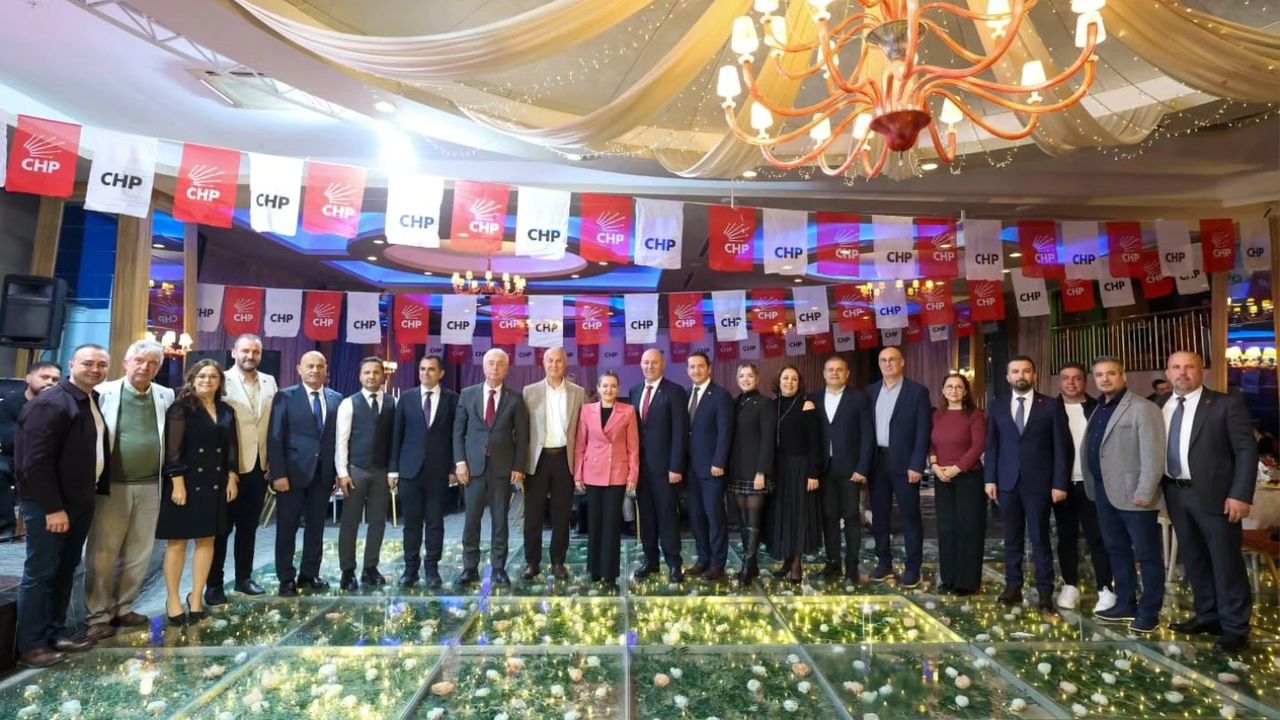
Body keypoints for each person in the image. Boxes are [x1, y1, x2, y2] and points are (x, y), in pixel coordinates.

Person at [15, 344, 111, 667]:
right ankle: (31, 645)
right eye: (88, 363)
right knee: (41, 573)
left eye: (102, 364)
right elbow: (34, 462)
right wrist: (52, 508)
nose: (95, 369)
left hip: (79, 500)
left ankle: (56, 632)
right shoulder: (52, 403)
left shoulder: (89, 399)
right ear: (71, 364)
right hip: (51, 505)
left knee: (65, 570)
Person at [1160, 351, 1258, 652]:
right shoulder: (1159, 405)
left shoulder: (1225, 404)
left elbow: (1246, 450)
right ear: (1168, 373)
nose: (1182, 372)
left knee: (1225, 562)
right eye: (1176, 367)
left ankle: (1235, 627)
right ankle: (1207, 615)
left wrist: (1240, 494)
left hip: (1218, 496)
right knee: (1194, 559)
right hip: (1175, 493)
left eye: (1189, 367)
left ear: (1201, 371)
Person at [84, 340, 173, 641]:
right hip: (112, 486)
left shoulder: (166, 395)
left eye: (152, 363)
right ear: (125, 363)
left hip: (151, 485)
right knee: (103, 552)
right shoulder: (102, 393)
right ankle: (98, 615)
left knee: (140, 552)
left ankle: (123, 607)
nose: (145, 367)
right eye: (139, 360)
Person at [1081, 355, 1167, 634]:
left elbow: (1153, 454)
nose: (1105, 379)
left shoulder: (1143, 408)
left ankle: (1149, 612)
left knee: (1147, 554)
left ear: (1123, 376)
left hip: (1135, 494)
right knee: (1116, 550)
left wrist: (1145, 491)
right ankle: (1125, 603)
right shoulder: (1099, 408)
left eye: (1111, 373)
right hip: (1104, 492)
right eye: (1099, 375)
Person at [984, 355, 1070, 613]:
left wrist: (1059, 483)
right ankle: (1013, 587)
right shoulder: (997, 405)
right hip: (1007, 483)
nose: (1020, 376)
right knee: (1011, 538)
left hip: (1039, 484)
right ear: (1007, 377)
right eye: (1015, 371)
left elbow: (1062, 447)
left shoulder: (1051, 405)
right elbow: (992, 445)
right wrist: (990, 478)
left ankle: (1045, 592)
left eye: (1026, 371)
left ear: (1034, 375)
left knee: (1040, 538)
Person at [156, 360, 238, 626]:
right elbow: (173, 451)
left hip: (216, 482)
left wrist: (232, 476)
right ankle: (172, 598)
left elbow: (231, 448)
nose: (207, 380)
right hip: (186, 483)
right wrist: (177, 483)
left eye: (213, 376)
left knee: (207, 541)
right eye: (201, 376)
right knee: (177, 543)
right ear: (192, 379)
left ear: (220, 381)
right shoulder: (181, 408)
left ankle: (196, 597)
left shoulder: (226, 409)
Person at [268, 351, 342, 597]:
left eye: (320, 366)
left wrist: (337, 472)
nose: (315, 370)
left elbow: (337, 439)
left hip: (323, 476)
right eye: (310, 365)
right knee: (287, 528)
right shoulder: (285, 396)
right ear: (299, 368)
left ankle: (309, 575)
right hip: (291, 475)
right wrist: (278, 474)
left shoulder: (336, 398)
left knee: (316, 528)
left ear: (326, 369)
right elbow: (275, 437)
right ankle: (286, 578)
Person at [453, 348, 529, 588]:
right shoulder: (467, 394)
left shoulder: (515, 397)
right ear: (484, 367)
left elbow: (523, 436)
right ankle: (469, 568)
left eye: (500, 364)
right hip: (472, 468)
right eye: (491, 363)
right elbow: (458, 432)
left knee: (500, 521)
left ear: (507, 369)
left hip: (502, 468)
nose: (495, 368)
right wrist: (460, 462)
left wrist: (518, 466)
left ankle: (498, 568)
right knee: (471, 519)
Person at [210, 333, 276, 604]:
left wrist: (272, 459)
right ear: (234, 352)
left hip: (259, 466)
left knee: (248, 527)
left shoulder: (270, 381)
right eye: (245, 351)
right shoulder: (220, 380)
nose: (250, 356)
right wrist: (226, 469)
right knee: (221, 529)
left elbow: (271, 423)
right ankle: (214, 584)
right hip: (228, 467)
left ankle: (244, 578)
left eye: (255, 352)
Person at [389, 355, 458, 589]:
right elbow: (396, 435)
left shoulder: (452, 399)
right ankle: (410, 569)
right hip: (409, 471)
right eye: (422, 369)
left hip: (438, 473)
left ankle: (432, 568)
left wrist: (453, 467)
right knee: (411, 524)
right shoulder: (406, 398)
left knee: (435, 523)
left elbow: (455, 437)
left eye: (431, 369)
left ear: (441, 373)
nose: (426, 373)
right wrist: (393, 469)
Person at [866, 347, 932, 588]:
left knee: (910, 517)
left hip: (906, 464)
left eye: (892, 360)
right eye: (883, 360)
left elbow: (923, 432)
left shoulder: (918, 392)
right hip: (877, 463)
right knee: (879, 517)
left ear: (902, 362)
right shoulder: (870, 391)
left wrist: (917, 464)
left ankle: (913, 568)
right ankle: (884, 563)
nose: (887, 364)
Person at [1054, 362, 1115, 613]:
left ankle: (1105, 588)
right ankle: (1070, 585)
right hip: (1062, 485)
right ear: (1060, 382)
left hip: (1093, 484)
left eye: (1077, 378)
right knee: (1065, 537)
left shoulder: (1099, 407)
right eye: (1066, 378)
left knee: (1098, 537)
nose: (1071, 383)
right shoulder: (1050, 409)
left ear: (1085, 381)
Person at [522, 347, 586, 581]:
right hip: (537, 460)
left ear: (565, 363)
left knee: (562, 514)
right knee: (533, 515)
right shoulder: (529, 391)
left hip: (564, 459)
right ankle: (532, 562)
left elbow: (583, 431)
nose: (554, 365)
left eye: (559, 361)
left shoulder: (578, 393)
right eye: (550, 360)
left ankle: (558, 561)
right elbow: (522, 430)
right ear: (544, 363)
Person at [809, 355, 874, 584]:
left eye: (839, 370)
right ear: (824, 374)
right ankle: (833, 563)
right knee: (829, 518)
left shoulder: (859, 398)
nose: (834, 373)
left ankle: (852, 567)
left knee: (851, 517)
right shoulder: (814, 398)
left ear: (847, 374)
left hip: (850, 470)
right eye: (830, 369)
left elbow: (867, 435)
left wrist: (862, 468)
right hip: (824, 469)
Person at [334, 357, 396, 591]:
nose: (371, 376)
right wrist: (342, 473)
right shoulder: (349, 403)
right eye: (367, 372)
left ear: (383, 376)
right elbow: (341, 441)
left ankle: (370, 568)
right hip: (356, 471)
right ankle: (347, 571)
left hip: (381, 472)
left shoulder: (392, 403)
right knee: (349, 523)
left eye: (376, 372)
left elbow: (395, 440)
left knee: (378, 522)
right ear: (360, 376)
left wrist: (394, 470)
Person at [574, 371, 639, 589]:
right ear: (598, 388)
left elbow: (633, 447)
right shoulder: (587, 410)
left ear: (618, 389)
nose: (608, 390)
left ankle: (610, 573)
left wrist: (633, 475)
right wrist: (578, 474)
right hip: (592, 472)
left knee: (611, 524)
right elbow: (580, 445)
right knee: (594, 523)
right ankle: (594, 569)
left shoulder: (628, 411)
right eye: (604, 386)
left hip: (616, 473)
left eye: (612, 386)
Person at [628, 349, 688, 582]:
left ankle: (674, 563)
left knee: (667, 516)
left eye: (654, 362)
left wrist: (676, 467)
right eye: (646, 362)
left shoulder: (675, 391)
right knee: (647, 517)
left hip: (665, 469)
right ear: (640, 365)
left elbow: (680, 432)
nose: (650, 366)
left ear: (663, 365)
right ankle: (650, 561)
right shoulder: (634, 391)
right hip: (641, 469)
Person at [930, 373, 987, 596]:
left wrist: (957, 468)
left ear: (965, 392)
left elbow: (978, 446)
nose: (953, 390)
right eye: (949, 386)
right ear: (943, 391)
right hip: (942, 478)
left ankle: (967, 582)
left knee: (968, 529)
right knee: (946, 529)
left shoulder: (975, 415)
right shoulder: (937, 415)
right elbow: (931, 444)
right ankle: (948, 579)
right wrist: (935, 466)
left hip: (969, 478)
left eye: (958, 387)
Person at [769, 365, 823, 585]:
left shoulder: (806, 405)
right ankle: (787, 559)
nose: (789, 382)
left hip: (801, 468)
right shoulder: (771, 406)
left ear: (799, 383)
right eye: (785, 378)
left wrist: (813, 474)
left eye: (794, 379)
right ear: (779, 381)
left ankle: (796, 564)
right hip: (778, 469)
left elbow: (815, 444)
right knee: (783, 515)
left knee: (799, 515)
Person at [684, 351, 734, 582]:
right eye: (692, 367)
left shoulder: (721, 395)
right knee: (696, 517)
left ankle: (717, 564)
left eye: (700, 366)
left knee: (714, 517)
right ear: (687, 370)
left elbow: (725, 432)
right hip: (690, 469)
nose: (696, 370)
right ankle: (703, 558)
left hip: (712, 468)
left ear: (709, 368)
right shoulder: (686, 395)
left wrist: (719, 462)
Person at [0, 361, 62, 542]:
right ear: (28, 378)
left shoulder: (63, 406)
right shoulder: (9, 405)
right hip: (14, 457)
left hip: (51, 459)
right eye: (44, 377)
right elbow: (9, 439)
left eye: (55, 380)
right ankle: (5, 526)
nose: (50, 382)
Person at [727, 362, 776, 586]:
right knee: (743, 520)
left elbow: (768, 440)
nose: (746, 379)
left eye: (749, 376)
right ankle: (752, 563)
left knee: (753, 521)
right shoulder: (735, 403)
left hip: (756, 470)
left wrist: (761, 472)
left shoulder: (764, 403)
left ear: (757, 379)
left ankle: (747, 565)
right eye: (742, 376)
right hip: (737, 469)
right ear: (737, 379)